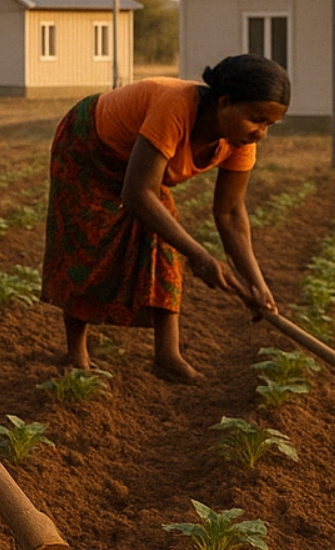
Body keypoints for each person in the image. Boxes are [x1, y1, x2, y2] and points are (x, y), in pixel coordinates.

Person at [40, 55, 291, 383]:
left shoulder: (239, 141)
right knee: (87, 241)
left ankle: (167, 357)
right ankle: (76, 354)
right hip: (89, 144)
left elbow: (230, 213)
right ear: (225, 102)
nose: (261, 133)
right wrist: (201, 256)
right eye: (257, 120)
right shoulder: (175, 107)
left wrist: (257, 284)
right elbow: (138, 194)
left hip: (138, 168)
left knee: (164, 240)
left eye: (269, 125)